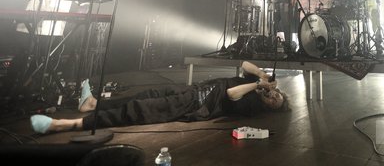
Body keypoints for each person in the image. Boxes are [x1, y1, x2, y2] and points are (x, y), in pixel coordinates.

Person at [30, 61, 289, 134]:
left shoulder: (252, 104)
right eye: (276, 92)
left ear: (272, 107)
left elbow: (231, 94)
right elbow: (244, 63)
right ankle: (93, 104)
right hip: (191, 89)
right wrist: (263, 75)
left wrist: (257, 86)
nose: (273, 95)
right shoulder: (253, 83)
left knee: (138, 109)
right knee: (146, 94)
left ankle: (67, 125)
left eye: (276, 99)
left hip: (193, 105)